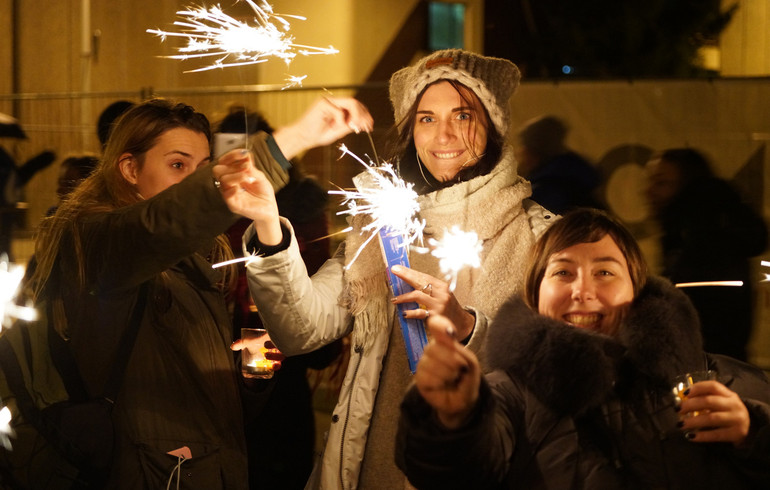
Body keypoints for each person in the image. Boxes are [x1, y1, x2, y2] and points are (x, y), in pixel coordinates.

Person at [240, 49, 556, 489]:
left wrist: (469, 329)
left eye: (463, 115)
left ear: (494, 126)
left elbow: (553, 378)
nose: (443, 134)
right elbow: (298, 329)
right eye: (426, 118)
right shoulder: (382, 228)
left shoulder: (541, 238)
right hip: (375, 471)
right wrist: (268, 226)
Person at [26, 96, 371, 489]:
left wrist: (248, 376)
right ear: (130, 169)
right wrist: (295, 138)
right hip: (145, 471)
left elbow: (202, 401)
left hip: (200, 468)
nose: (193, 179)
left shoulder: (195, 259)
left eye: (203, 167)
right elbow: (159, 224)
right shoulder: (98, 241)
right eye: (178, 165)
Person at [396, 208, 770, 489]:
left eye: (605, 272)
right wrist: (449, 420)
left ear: (637, 291)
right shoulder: (506, 397)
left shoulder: (718, 383)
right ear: (535, 293)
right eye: (563, 272)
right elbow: (454, 473)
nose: (582, 291)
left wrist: (753, 435)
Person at [215, 106, 343, 490]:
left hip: (282, 357)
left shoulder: (301, 206)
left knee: (279, 461)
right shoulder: (209, 210)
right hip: (219, 359)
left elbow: (320, 284)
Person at [645, 148, 768, 361]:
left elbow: (696, 314)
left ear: (687, 186)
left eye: (661, 182)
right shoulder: (694, 230)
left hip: (705, 366)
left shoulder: (704, 239)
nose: (649, 191)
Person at [514, 114, 603, 214]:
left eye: (524, 147)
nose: (520, 153)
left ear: (534, 152)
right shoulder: (572, 175)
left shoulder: (546, 191)